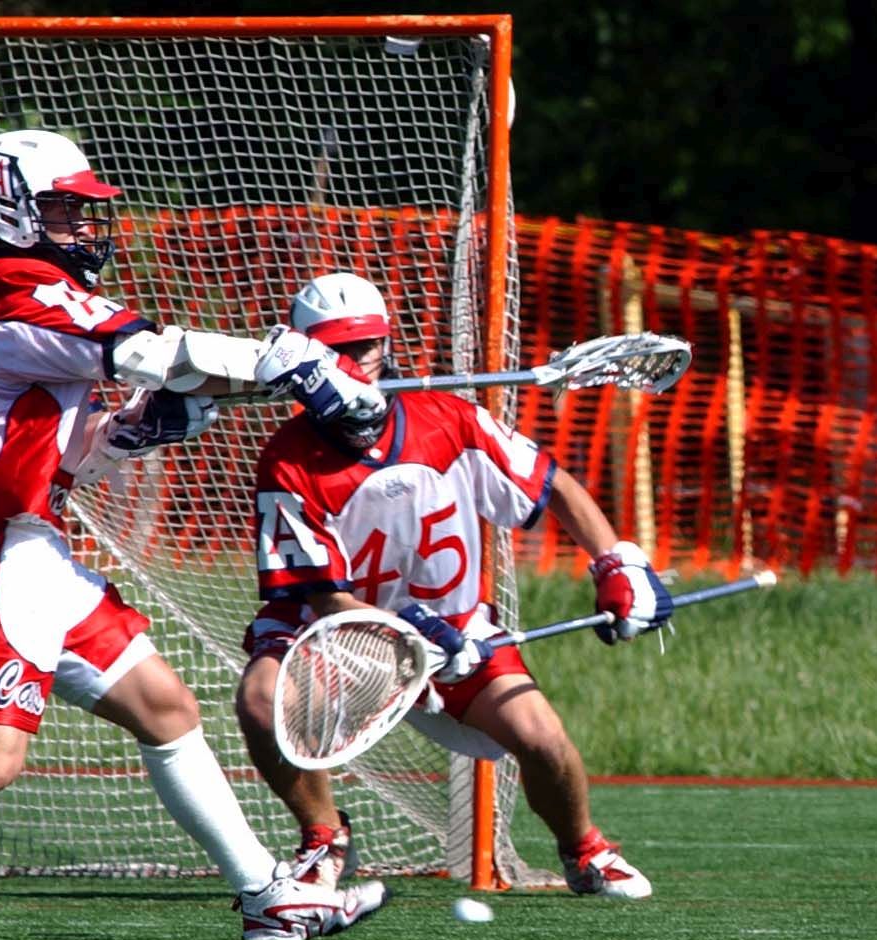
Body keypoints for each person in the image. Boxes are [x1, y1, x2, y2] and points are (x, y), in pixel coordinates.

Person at [0, 128, 386, 940]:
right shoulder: (7, 283)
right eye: (62, 208)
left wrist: (133, 431)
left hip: (27, 545)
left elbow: (58, 456)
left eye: (82, 209)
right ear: (7, 207)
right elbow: (151, 352)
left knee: (165, 708)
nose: (82, 225)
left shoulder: (27, 294)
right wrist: (293, 363)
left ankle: (266, 896)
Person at [233, 272, 670, 898]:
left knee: (542, 738)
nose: (355, 362)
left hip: (458, 630)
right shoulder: (288, 460)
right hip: (337, 636)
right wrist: (410, 635)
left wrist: (615, 563)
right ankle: (324, 837)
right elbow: (325, 596)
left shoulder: (453, 421)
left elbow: (553, 486)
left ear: (387, 345)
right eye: (336, 350)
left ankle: (584, 850)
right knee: (261, 699)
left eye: (365, 346)